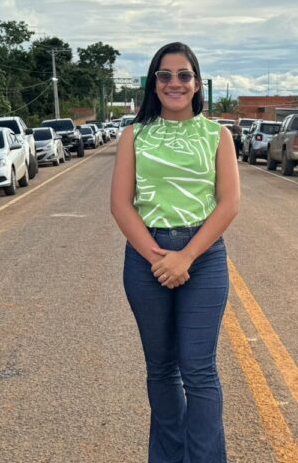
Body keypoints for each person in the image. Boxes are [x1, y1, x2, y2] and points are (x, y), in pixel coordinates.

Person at [110, 42, 240, 463]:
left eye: (183, 75)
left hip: (203, 259)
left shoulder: (218, 135)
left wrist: (185, 257)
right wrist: (158, 257)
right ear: (154, 84)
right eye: (164, 76)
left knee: (199, 370)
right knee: (162, 369)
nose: (174, 83)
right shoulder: (134, 134)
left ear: (197, 83)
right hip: (146, 256)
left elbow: (228, 203)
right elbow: (121, 204)